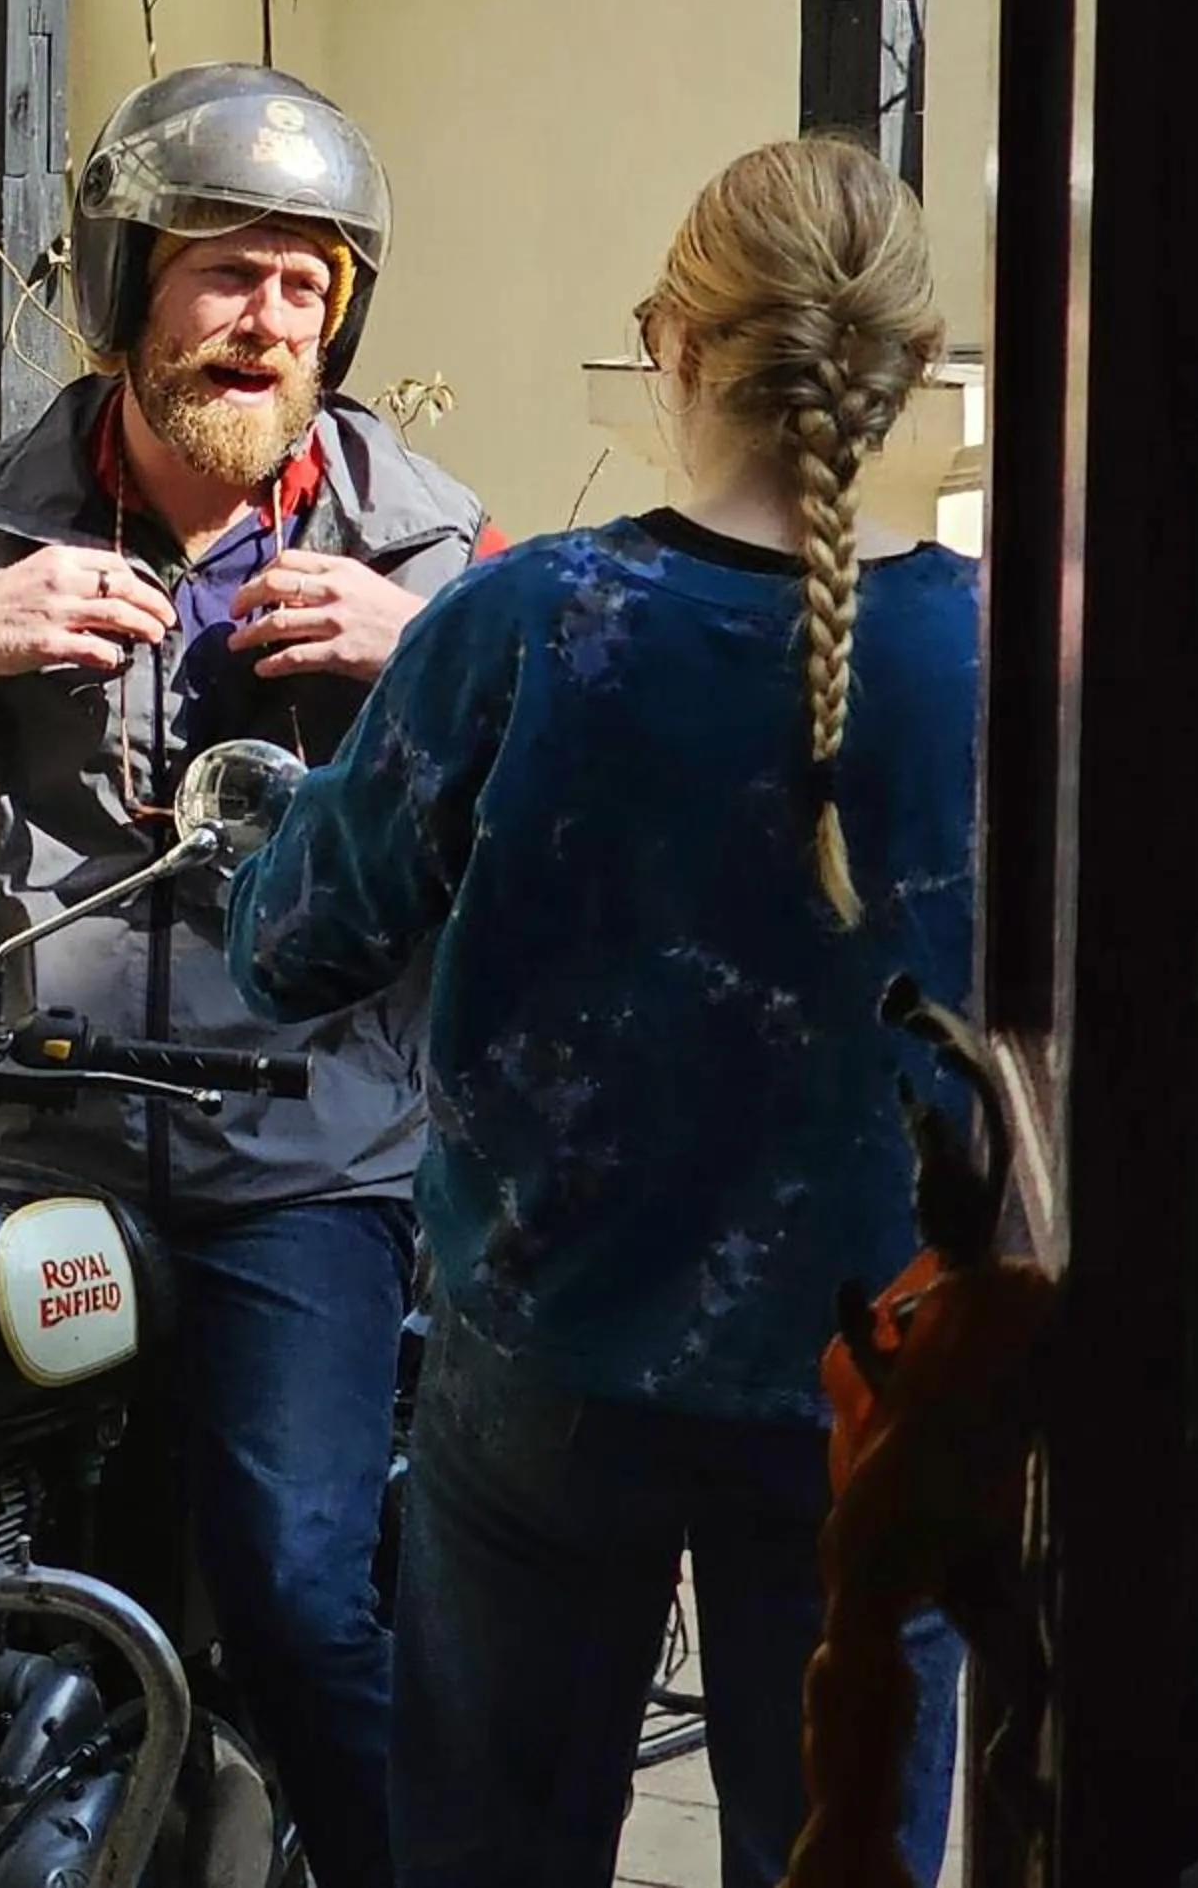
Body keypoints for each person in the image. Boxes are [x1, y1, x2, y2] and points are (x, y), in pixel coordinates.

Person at [0, 65, 501, 1888]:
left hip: (290, 1170)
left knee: (303, 1602)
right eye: (228, 273)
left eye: (307, 286)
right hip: (3, 1160)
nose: (268, 324)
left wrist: (431, 660)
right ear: (129, 278)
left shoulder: (441, 549)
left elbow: (580, 840)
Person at [218, 136, 971, 1888]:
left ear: (674, 345)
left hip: (551, 1359)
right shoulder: (1007, 660)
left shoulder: (524, 625)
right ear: (903, 374)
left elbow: (295, 945)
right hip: (885, 1378)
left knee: (496, 1837)